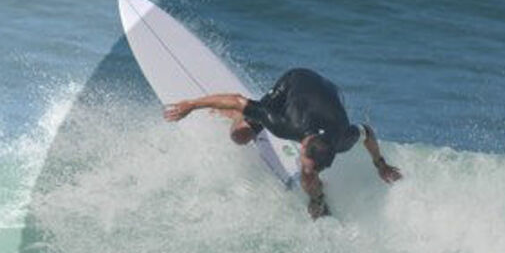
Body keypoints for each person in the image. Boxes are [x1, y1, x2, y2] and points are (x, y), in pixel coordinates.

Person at [162, 67, 402, 219]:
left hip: (331, 92)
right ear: (304, 144)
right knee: (240, 136)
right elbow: (236, 100)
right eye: (304, 161)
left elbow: (367, 133)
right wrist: (191, 105)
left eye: (310, 167)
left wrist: (381, 164)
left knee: (307, 176)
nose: (303, 167)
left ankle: (318, 198)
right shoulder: (285, 124)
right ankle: (241, 119)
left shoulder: (341, 140)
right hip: (295, 82)